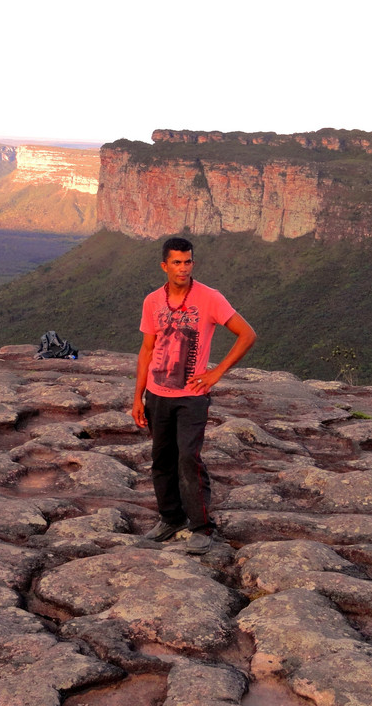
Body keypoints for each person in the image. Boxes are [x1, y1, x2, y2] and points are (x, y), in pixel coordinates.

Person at [132, 236, 256, 554]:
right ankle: (170, 519)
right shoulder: (152, 301)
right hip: (157, 396)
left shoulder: (210, 298)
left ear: (193, 263)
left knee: (188, 458)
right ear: (164, 266)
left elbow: (247, 334)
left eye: (188, 261)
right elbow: (147, 350)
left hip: (192, 396)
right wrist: (138, 397)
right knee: (162, 459)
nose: (183, 268)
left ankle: (201, 527)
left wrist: (217, 372)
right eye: (176, 262)